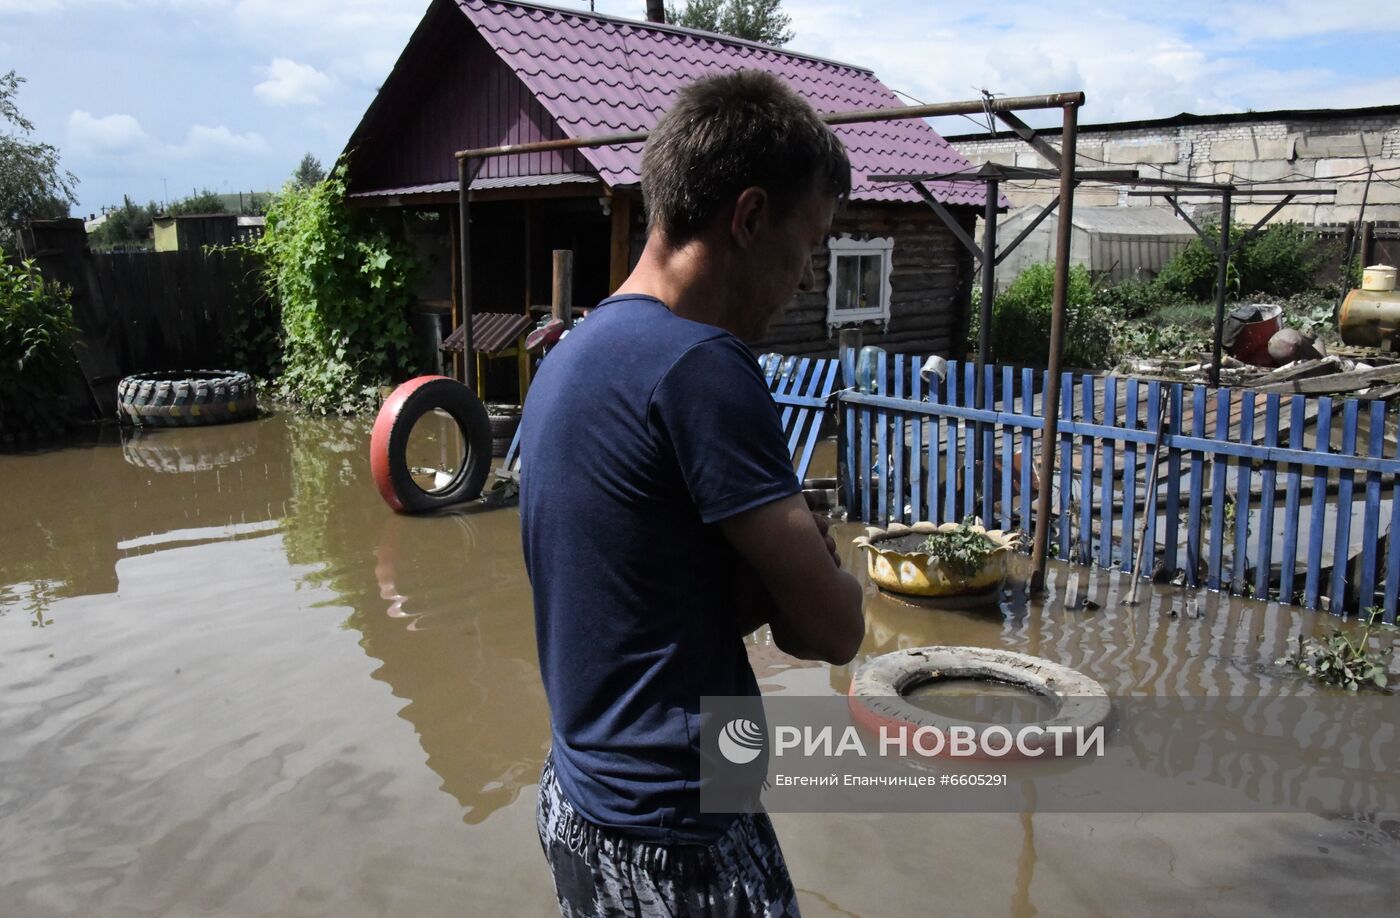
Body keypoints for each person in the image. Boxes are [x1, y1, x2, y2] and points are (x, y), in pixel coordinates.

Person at [519, 69, 865, 917]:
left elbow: (631, 600)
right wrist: (812, 559)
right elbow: (834, 630)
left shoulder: (575, 352)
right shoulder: (702, 365)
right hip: (676, 836)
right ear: (748, 219)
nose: (806, 279)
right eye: (809, 244)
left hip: (581, 795)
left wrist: (753, 580)